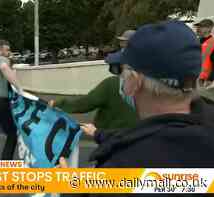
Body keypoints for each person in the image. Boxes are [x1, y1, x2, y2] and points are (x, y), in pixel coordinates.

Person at [61, 21, 214, 170]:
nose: (120, 78)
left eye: (120, 71)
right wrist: (99, 134)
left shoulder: (122, 166)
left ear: (134, 81)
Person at [50, 30, 138, 142]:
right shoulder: (152, 84)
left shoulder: (111, 84)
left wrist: (58, 104)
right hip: (140, 142)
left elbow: (84, 104)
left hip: (111, 142)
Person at [194, 19, 214, 87]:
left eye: (202, 26)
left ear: (209, 28)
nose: (199, 28)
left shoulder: (212, 43)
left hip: (205, 82)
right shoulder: (196, 42)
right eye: (198, 27)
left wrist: (210, 79)